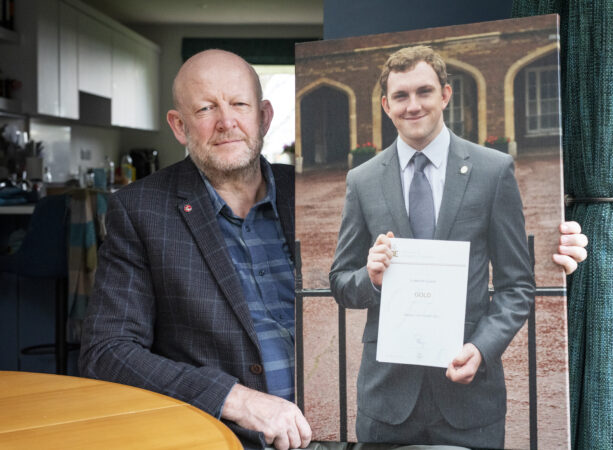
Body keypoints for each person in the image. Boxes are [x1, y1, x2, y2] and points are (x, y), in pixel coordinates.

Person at [329, 46, 587, 448]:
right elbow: (341, 283)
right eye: (400, 96)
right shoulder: (361, 180)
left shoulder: (492, 170)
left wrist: (482, 349)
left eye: (424, 92)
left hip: (470, 402)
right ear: (385, 105)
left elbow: (517, 286)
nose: (413, 105)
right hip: (387, 402)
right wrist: (371, 277)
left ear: (445, 95)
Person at [79, 50, 311, 450]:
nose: (226, 122)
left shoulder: (318, 193)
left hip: (351, 430)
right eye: (206, 108)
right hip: (229, 438)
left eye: (240, 104)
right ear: (179, 126)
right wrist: (236, 399)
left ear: (265, 116)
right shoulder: (140, 210)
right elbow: (107, 352)